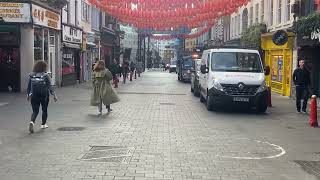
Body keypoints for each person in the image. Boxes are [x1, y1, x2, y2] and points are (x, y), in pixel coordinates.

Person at [27, 61, 57, 133]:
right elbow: (50, 86)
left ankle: (32, 122)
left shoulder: (32, 75)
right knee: (44, 109)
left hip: (34, 95)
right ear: (44, 67)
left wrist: (28, 95)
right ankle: (43, 124)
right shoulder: (46, 75)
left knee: (35, 111)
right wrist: (54, 95)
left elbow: (29, 87)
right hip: (44, 95)